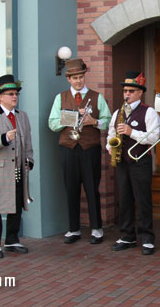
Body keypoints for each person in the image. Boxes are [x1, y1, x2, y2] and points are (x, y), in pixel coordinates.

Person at [48, 58, 111, 245]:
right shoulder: (60, 98)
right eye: (74, 78)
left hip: (90, 149)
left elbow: (107, 121)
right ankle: (73, 229)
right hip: (68, 148)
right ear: (68, 79)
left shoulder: (97, 97)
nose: (78, 81)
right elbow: (52, 124)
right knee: (71, 189)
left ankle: (96, 229)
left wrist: (95, 122)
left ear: (84, 76)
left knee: (92, 189)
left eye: (81, 77)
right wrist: (70, 119)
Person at [106, 71, 160, 255]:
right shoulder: (117, 113)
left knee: (143, 199)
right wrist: (109, 146)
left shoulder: (149, 111)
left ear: (140, 92)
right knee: (125, 199)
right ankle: (127, 236)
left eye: (130, 91)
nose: (126, 94)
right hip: (122, 161)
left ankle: (147, 237)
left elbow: (154, 138)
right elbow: (111, 135)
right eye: (124, 91)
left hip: (140, 161)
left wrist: (131, 132)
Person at [0, 74, 34, 259]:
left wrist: (29, 159)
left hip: (18, 168)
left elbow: (28, 141)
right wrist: (4, 138)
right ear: (0, 97)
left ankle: (12, 239)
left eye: (16, 94)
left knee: (17, 204)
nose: (14, 97)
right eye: (10, 94)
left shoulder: (22, 116)